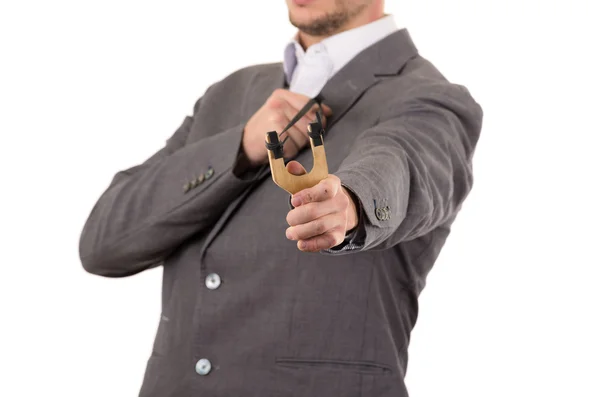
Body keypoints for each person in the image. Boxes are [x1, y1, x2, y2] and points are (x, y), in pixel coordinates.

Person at [79, 0, 483, 395]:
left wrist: (351, 203)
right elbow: (103, 244)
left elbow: (404, 162)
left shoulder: (431, 99)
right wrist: (238, 149)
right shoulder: (228, 93)